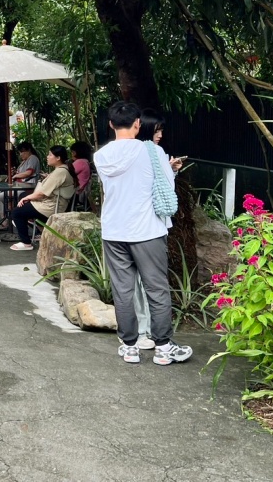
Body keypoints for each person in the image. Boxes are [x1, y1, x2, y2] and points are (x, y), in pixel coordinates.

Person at [94, 101, 192, 366]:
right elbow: (165, 185)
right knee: (157, 289)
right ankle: (163, 348)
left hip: (114, 230)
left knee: (123, 290)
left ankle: (129, 347)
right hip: (147, 229)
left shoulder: (100, 156)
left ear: (111, 124)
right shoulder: (152, 151)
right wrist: (170, 169)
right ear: (138, 123)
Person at [10, 146, 77, 251]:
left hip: (50, 206)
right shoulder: (62, 169)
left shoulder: (60, 172)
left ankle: (26, 243)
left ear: (58, 158)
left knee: (16, 213)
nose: (47, 157)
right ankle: (38, 228)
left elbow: (42, 194)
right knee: (22, 196)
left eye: (50, 155)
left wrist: (27, 198)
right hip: (53, 203)